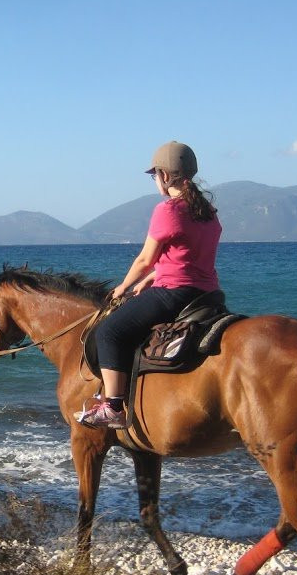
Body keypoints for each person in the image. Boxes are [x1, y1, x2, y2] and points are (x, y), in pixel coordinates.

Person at [77, 141, 222, 428]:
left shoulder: (168, 210)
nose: (155, 180)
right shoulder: (208, 212)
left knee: (109, 331)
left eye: (155, 175)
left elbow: (145, 258)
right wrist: (149, 280)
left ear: (165, 176)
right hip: (209, 294)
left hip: (175, 294)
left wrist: (123, 287)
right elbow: (187, 257)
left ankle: (113, 407)